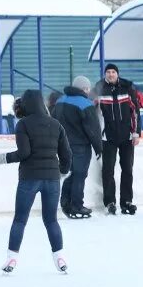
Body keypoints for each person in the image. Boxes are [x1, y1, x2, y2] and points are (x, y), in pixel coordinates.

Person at [0, 89, 71, 274]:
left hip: (29, 178)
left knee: (20, 219)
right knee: (51, 220)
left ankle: (11, 260)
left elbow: (24, 153)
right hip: (52, 179)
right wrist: (63, 172)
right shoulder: (56, 124)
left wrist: (3, 158)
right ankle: (60, 258)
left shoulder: (23, 124)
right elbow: (66, 154)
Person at [52, 76, 103, 219]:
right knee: (79, 175)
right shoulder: (85, 104)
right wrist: (98, 148)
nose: (88, 90)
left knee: (69, 173)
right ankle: (77, 205)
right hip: (80, 146)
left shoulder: (60, 100)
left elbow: (53, 121)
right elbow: (93, 129)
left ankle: (65, 203)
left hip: (62, 145)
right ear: (84, 89)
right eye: (87, 88)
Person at [97, 63, 141, 215]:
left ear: (117, 74)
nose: (110, 74)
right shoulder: (100, 89)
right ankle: (110, 202)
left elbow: (135, 111)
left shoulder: (127, 88)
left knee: (127, 169)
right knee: (108, 170)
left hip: (126, 137)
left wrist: (136, 133)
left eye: (113, 72)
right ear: (105, 74)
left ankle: (126, 201)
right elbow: (96, 115)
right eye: (108, 72)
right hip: (107, 137)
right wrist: (98, 135)